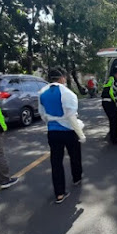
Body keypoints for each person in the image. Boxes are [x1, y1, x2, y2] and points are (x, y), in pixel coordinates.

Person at [39, 67, 86, 204]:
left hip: (52, 132)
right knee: (75, 155)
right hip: (69, 131)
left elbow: (43, 114)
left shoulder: (42, 92)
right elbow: (71, 116)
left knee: (56, 162)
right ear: (62, 78)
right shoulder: (67, 93)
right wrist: (80, 134)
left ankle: (59, 193)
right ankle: (77, 178)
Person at [102, 66, 117, 144]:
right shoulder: (112, 79)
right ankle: (114, 139)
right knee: (114, 120)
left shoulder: (111, 79)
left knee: (113, 120)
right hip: (109, 102)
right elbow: (111, 92)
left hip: (106, 102)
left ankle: (113, 136)